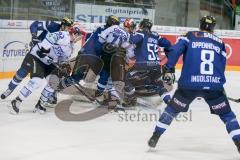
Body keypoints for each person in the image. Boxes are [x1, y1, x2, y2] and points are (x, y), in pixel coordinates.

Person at [147, 15, 240, 153]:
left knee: (171, 111)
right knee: (227, 116)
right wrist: (219, 84)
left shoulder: (189, 36)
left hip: (189, 85)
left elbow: (174, 51)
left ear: (200, 24)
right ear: (213, 28)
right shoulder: (220, 42)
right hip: (214, 86)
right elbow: (221, 65)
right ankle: (238, 142)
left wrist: (169, 69)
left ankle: (155, 137)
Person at [9, 23, 84, 114]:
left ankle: (40, 104)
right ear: (75, 33)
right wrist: (44, 49)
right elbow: (50, 37)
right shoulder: (63, 35)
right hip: (36, 57)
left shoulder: (71, 48)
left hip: (48, 62)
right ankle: (17, 101)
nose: (81, 38)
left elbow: (62, 61)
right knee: (37, 81)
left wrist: (63, 68)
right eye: (81, 35)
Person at [0, 17, 73, 103]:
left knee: (55, 77)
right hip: (37, 54)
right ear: (63, 25)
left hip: (49, 61)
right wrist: (34, 36)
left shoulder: (67, 38)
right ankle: (10, 89)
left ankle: (51, 94)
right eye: (68, 27)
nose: (69, 29)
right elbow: (34, 25)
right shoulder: (51, 26)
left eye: (70, 28)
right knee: (22, 73)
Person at [123, 18, 172, 107]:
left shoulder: (140, 33)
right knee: (159, 84)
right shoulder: (156, 35)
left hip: (143, 65)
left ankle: (131, 100)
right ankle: (168, 100)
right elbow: (168, 44)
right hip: (156, 66)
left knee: (126, 78)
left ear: (141, 25)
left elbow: (130, 41)